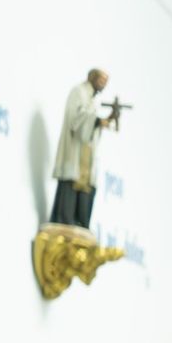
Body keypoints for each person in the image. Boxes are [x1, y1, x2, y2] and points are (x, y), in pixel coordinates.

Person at [49, 68, 116, 229]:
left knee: (84, 200)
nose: (103, 85)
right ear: (93, 78)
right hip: (75, 154)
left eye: (105, 82)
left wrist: (102, 122)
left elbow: (92, 127)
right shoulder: (78, 92)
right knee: (69, 193)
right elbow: (75, 120)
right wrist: (97, 121)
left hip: (86, 158)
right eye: (101, 80)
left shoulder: (92, 99)